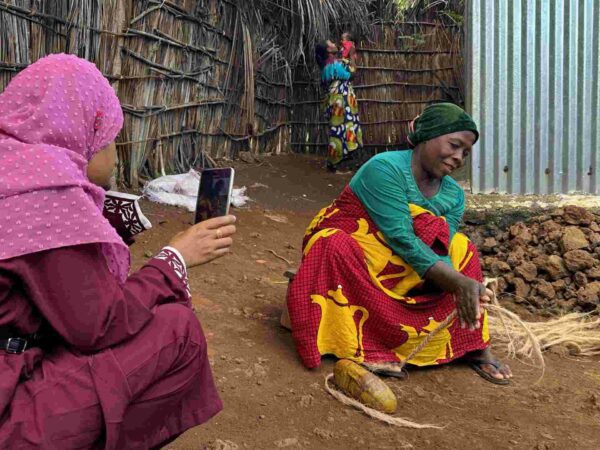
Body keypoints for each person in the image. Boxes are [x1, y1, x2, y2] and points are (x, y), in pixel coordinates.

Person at [0, 54, 237, 448]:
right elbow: (98, 323)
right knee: (178, 331)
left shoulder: (12, 170)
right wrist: (173, 260)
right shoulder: (43, 195)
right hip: (9, 411)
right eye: (109, 138)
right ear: (77, 130)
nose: (114, 155)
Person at [286, 103, 513, 384]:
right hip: (365, 259)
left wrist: (458, 283)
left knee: (462, 247)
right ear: (427, 136)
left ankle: (472, 344)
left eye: (465, 153)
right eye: (454, 145)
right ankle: (362, 345)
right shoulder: (384, 169)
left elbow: (440, 245)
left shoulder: (454, 195)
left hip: (412, 267)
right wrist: (456, 283)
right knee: (332, 243)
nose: (458, 157)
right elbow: (401, 237)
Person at [315, 40, 363, 174]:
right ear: (328, 50)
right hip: (341, 102)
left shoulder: (327, 66)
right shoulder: (335, 65)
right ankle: (334, 164)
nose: (334, 43)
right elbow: (351, 74)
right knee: (342, 130)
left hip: (336, 100)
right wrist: (351, 56)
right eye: (330, 43)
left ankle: (338, 162)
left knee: (338, 130)